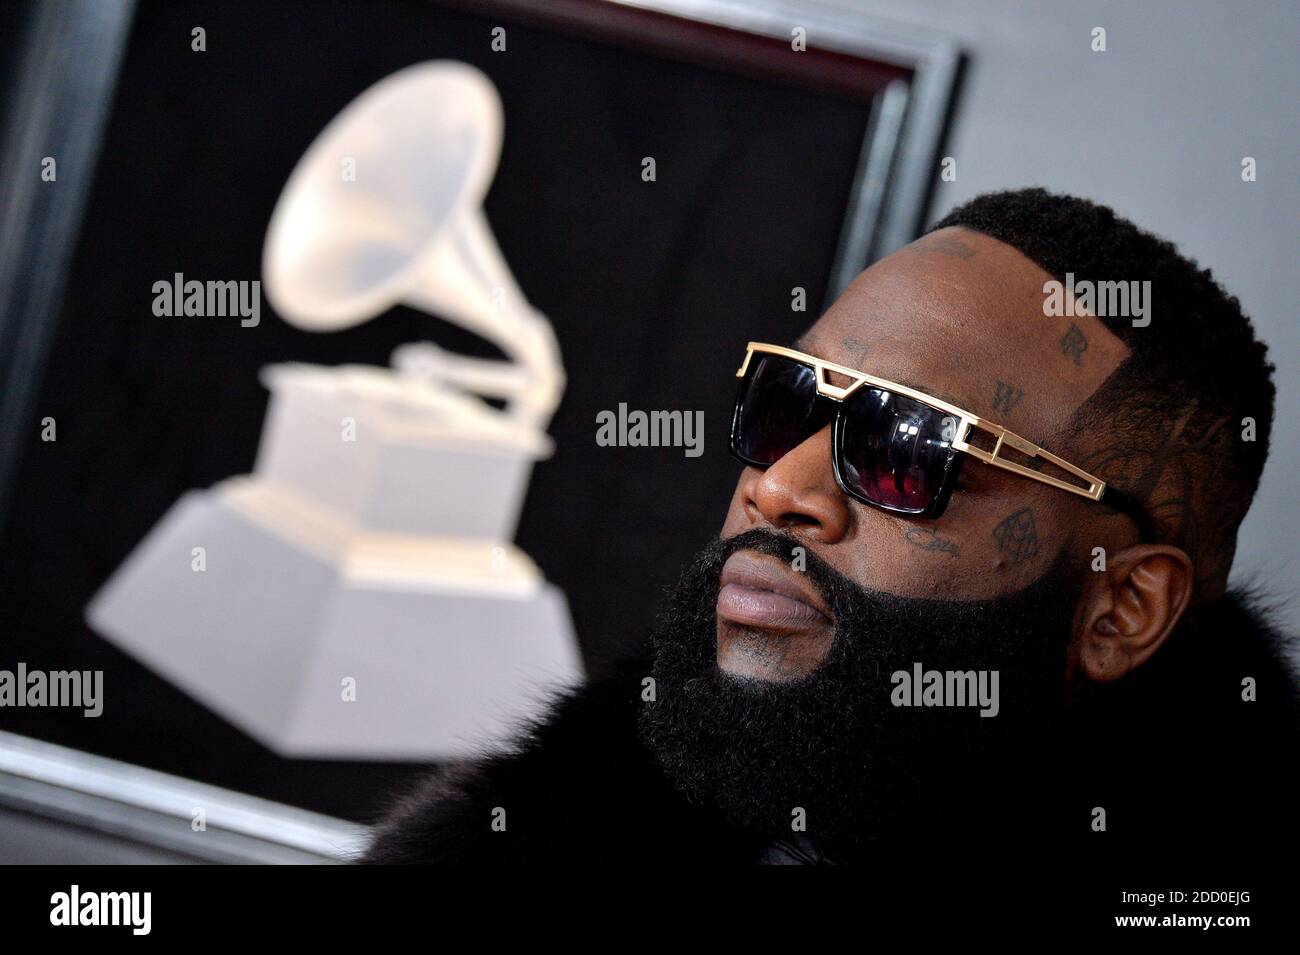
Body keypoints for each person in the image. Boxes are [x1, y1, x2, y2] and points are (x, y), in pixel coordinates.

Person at [364, 189, 1297, 865]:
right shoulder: (549, 821)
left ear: (1123, 606)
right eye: (786, 403)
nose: (777, 487)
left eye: (910, 443)